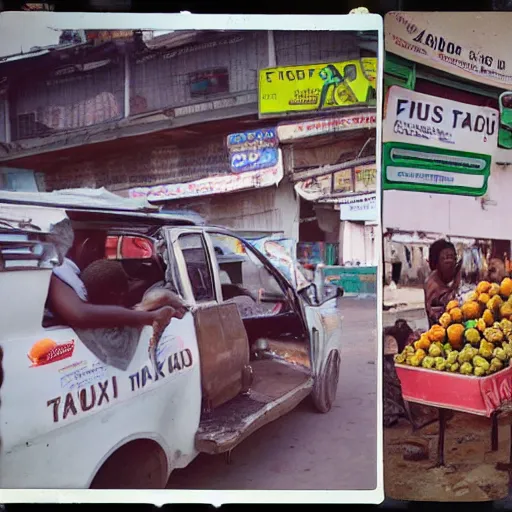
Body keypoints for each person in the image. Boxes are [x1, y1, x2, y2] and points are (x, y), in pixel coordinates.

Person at [424, 239, 462, 328]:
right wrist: (455, 286)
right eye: (446, 258)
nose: (451, 261)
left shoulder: (445, 278)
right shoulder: (433, 285)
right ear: (436, 262)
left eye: (453, 257)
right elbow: (441, 318)